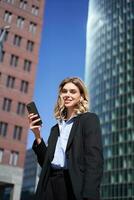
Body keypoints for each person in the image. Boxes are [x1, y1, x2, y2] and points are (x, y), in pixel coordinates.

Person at [28, 77, 104, 200]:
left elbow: (94, 161)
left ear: (81, 96)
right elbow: (46, 163)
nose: (67, 95)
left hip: (73, 186)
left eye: (72, 91)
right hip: (50, 187)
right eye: (64, 91)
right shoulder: (55, 129)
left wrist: (90, 195)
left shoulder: (89, 120)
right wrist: (37, 135)